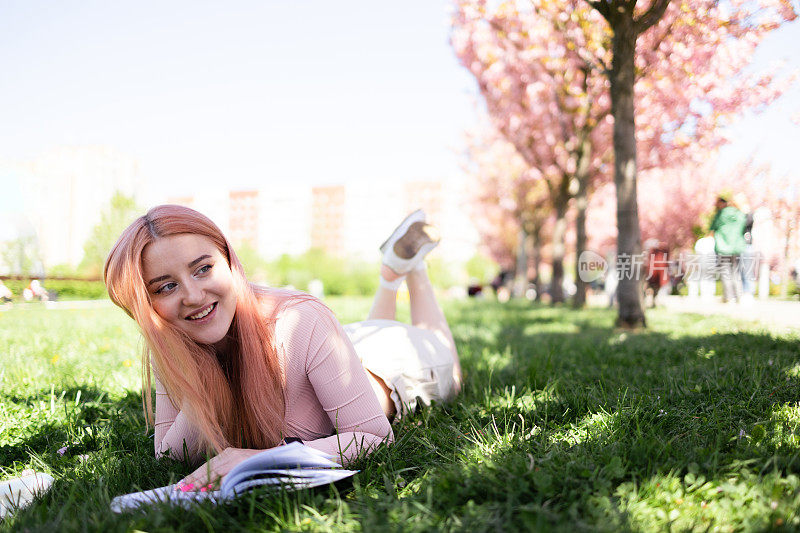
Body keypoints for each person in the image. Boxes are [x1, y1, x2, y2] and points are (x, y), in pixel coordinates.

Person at [103, 205, 462, 489]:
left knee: (441, 349)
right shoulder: (173, 340)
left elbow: (374, 437)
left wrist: (261, 459)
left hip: (393, 365)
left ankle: (414, 270)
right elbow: (169, 457)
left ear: (229, 261)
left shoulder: (300, 320)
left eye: (203, 269)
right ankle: (390, 276)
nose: (193, 297)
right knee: (367, 328)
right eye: (165, 287)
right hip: (337, 348)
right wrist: (199, 376)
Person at [709, 196, 747, 303]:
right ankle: (739, 296)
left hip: (723, 247)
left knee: (725, 272)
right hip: (737, 246)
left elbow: (712, 228)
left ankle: (728, 297)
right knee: (736, 272)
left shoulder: (720, 214)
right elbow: (744, 226)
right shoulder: (739, 214)